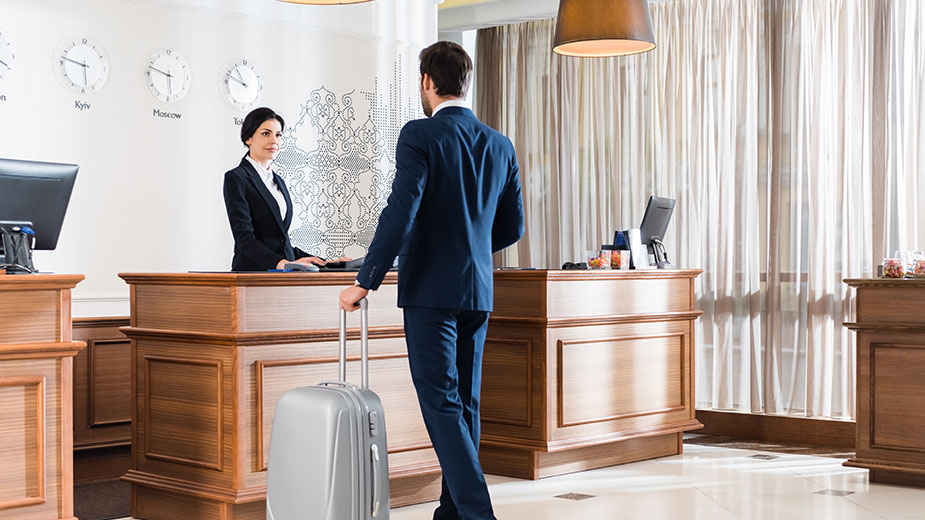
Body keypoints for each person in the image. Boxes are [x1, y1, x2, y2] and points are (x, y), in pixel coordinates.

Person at [339, 42, 524, 520]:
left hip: (430, 293)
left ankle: (478, 514)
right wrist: (470, 246)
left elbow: (401, 211)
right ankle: (453, 512)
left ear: (427, 82)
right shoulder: (499, 144)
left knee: (441, 401)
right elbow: (512, 227)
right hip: (478, 290)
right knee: (465, 403)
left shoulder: (419, 134)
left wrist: (366, 280)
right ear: (465, 82)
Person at [223, 107, 343, 271]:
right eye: (266, 134)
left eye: (278, 135)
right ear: (248, 138)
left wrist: (327, 263)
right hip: (252, 273)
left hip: (282, 274)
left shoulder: (278, 181)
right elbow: (244, 238)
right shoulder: (237, 178)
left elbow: (278, 240)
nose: (274, 141)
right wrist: (281, 263)